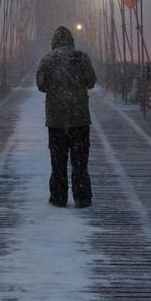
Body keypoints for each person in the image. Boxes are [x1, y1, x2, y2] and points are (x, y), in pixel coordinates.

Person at [36, 26, 97, 208]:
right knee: (80, 161)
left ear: (54, 41)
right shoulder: (81, 57)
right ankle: (82, 197)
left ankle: (58, 197)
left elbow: (41, 85)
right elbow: (91, 82)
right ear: (71, 40)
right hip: (79, 119)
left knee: (58, 161)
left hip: (56, 119)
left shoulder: (47, 59)